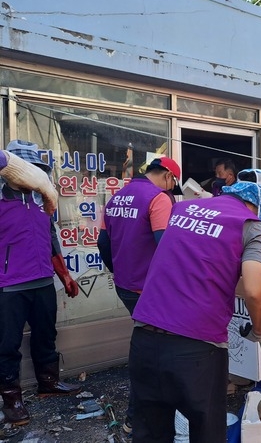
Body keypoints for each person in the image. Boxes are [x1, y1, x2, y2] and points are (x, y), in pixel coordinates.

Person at [129, 169, 261, 443]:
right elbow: (253, 288)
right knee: (207, 432)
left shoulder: (184, 208)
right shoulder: (252, 225)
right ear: (259, 205)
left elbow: (198, 263)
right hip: (198, 349)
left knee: (150, 435)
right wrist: (260, 328)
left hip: (144, 339)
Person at [97, 156, 182, 435]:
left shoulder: (117, 197)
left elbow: (103, 243)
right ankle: (137, 418)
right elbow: (165, 246)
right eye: (173, 184)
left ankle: (152, 409)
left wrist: (119, 270)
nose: (172, 189)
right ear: (168, 176)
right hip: (149, 290)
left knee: (150, 346)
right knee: (154, 352)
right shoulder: (158, 198)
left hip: (126, 287)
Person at [0, 140, 81, 428]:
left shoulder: (40, 201)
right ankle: (12, 399)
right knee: (7, 345)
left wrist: (65, 277)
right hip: (8, 286)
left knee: (46, 334)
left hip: (43, 280)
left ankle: (48, 383)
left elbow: (52, 241)